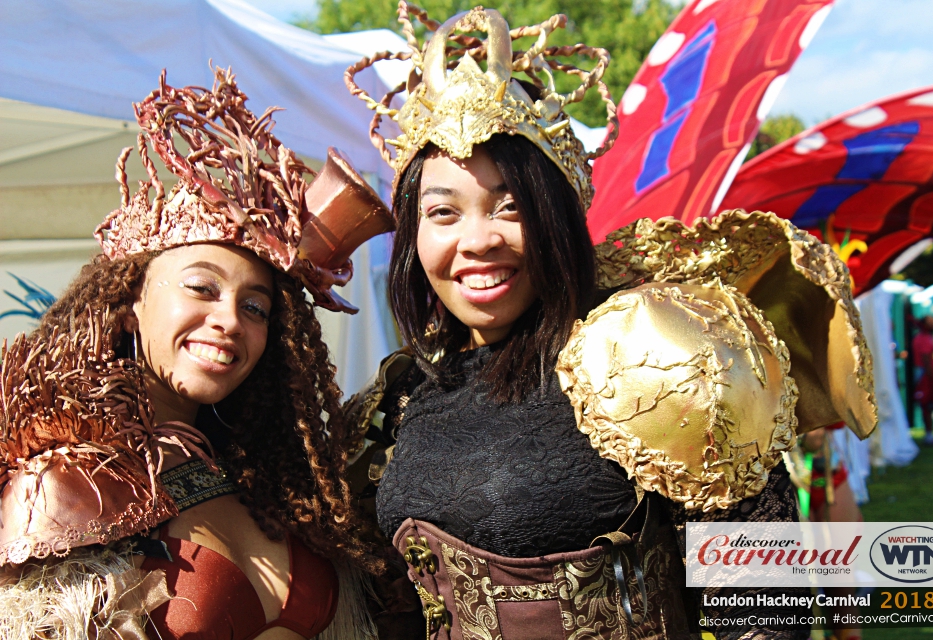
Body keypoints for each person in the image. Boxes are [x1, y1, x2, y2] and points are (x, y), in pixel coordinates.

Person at [343, 3, 877, 639]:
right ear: (414, 236)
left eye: (509, 206)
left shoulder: (662, 357)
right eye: (443, 213)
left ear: (558, 220)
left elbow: (763, 612)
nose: (478, 240)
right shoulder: (397, 400)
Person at [0, 69, 392, 639]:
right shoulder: (60, 488)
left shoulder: (272, 477)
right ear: (130, 302)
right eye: (201, 288)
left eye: (255, 307)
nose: (229, 320)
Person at [913, 315, 933, 445]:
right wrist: (932, 376)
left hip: (928, 374)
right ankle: (929, 435)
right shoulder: (924, 339)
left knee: (929, 404)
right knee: (927, 403)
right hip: (927, 375)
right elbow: (926, 359)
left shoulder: (924, 338)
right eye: (930, 322)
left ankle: (930, 433)